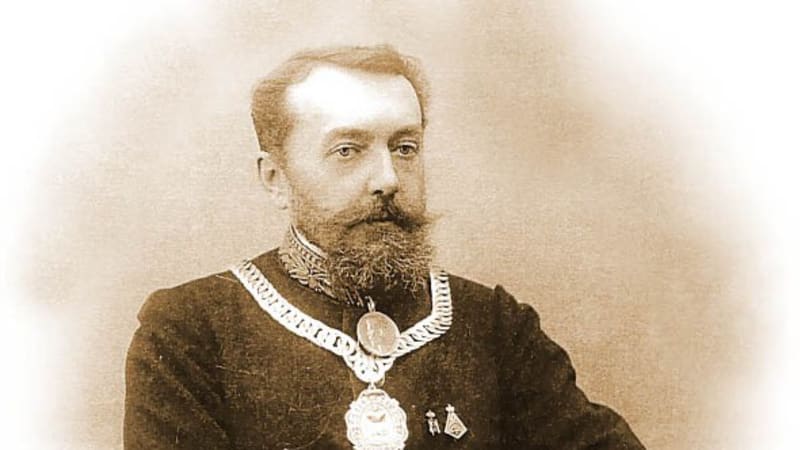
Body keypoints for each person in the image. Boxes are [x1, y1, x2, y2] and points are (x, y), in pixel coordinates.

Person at [124, 45, 645, 449]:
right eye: (347, 150)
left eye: (405, 148)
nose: (388, 179)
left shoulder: (494, 326)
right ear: (275, 178)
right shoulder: (191, 332)